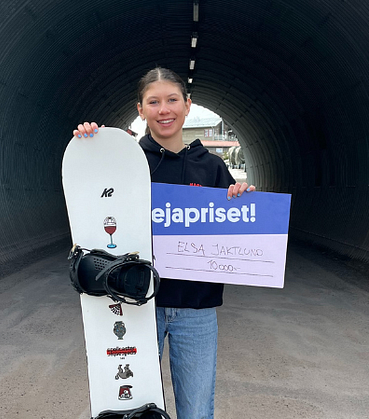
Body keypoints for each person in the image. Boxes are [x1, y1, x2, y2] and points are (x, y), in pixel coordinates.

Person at [74, 67, 254, 419]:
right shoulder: (123, 162)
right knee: (130, 407)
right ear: (140, 109)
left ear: (187, 105)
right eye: (153, 102)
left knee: (197, 409)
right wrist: (88, 145)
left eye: (172, 100)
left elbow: (233, 233)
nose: (164, 109)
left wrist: (243, 203)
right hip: (137, 304)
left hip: (196, 308)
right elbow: (89, 196)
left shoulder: (213, 168)